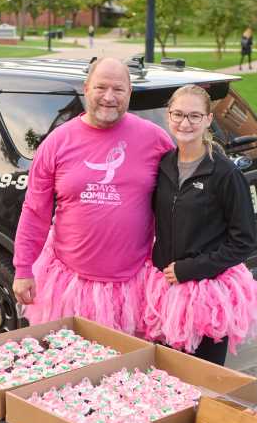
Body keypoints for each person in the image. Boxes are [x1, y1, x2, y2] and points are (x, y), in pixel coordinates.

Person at [12, 57, 175, 334]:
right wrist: (23, 268)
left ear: (130, 93)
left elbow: (179, 206)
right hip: (68, 285)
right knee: (70, 367)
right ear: (86, 88)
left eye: (118, 89)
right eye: (101, 87)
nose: (109, 97)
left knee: (127, 369)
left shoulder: (156, 140)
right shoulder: (56, 143)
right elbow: (35, 211)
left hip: (134, 286)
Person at [143, 84, 257, 366]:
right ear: (168, 117)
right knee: (166, 374)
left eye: (195, 116)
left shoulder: (225, 174)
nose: (185, 123)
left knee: (202, 377)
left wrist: (191, 269)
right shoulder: (162, 166)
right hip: (164, 291)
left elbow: (244, 241)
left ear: (208, 119)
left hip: (207, 295)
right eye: (179, 114)